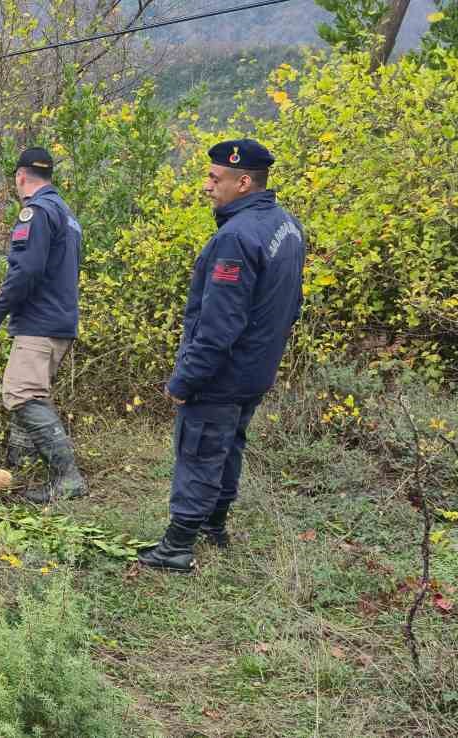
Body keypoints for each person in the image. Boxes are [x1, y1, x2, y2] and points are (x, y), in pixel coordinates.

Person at [138, 139, 306, 573]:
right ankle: (214, 526)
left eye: (215, 178)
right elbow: (293, 304)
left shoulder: (235, 238)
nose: (207, 186)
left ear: (243, 182)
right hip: (257, 369)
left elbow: (218, 325)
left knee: (199, 449)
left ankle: (177, 547)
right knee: (228, 446)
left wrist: (186, 379)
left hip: (223, 373)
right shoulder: (287, 226)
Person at [0, 147, 87, 503]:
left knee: (21, 394)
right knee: (29, 392)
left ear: (21, 176)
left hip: (39, 322)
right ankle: (20, 467)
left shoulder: (36, 213)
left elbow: (25, 271)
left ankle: (68, 478)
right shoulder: (66, 214)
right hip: (60, 319)